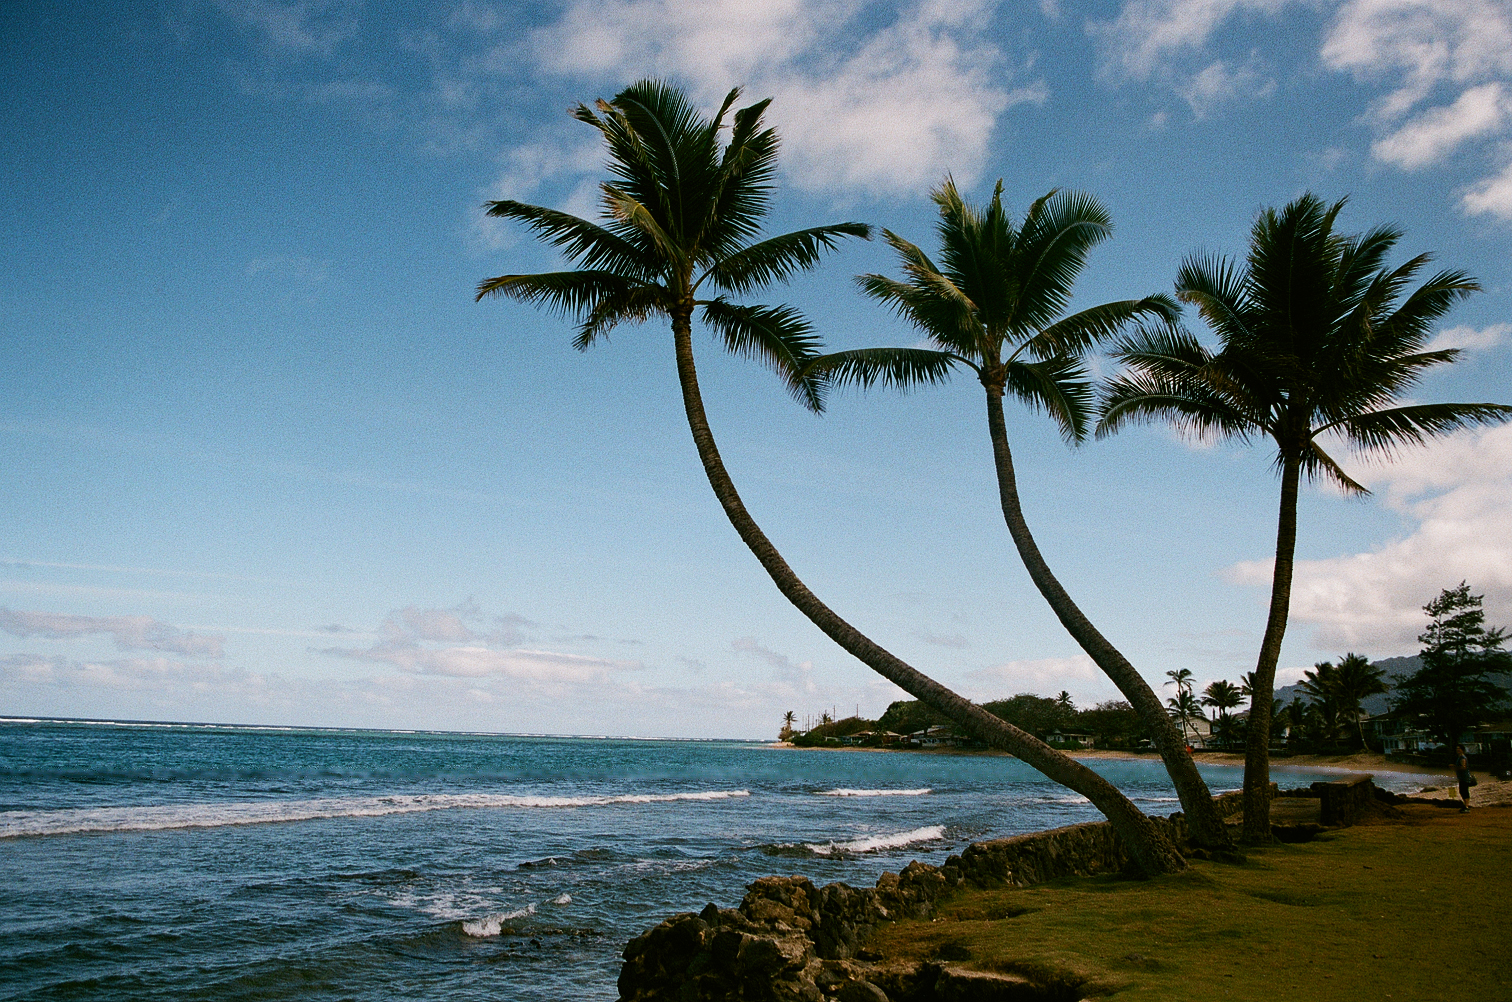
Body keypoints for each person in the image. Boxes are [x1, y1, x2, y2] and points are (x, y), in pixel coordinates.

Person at [1454, 744, 1473, 813]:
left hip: (1464, 777)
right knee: (1462, 791)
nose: (1457, 750)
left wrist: (1454, 767)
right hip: (1461, 777)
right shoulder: (1460, 757)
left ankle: (1466, 806)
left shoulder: (1462, 758)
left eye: (1459, 748)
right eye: (1457, 749)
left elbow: (1463, 767)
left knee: (1464, 791)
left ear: (1462, 750)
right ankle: (1465, 805)